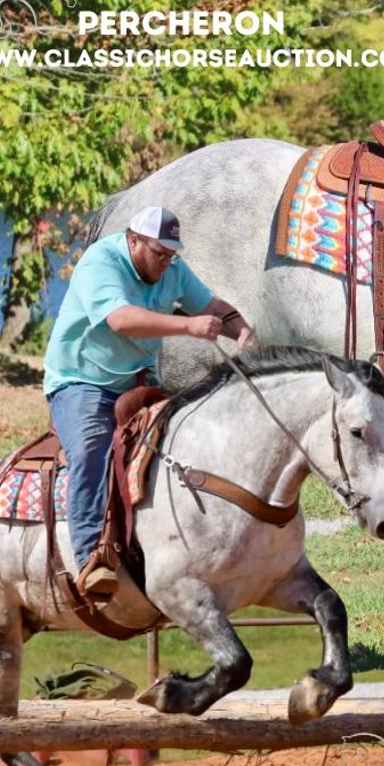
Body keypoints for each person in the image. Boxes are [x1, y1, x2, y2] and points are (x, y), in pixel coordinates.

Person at [43, 206, 256, 596]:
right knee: (92, 449)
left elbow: (209, 305)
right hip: (82, 382)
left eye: (171, 254)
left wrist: (241, 330)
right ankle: (90, 560)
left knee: (187, 439)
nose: (165, 262)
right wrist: (188, 326)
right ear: (133, 240)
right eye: (158, 253)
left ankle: (182, 543)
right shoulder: (100, 262)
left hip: (139, 381)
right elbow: (121, 320)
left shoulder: (172, 268)